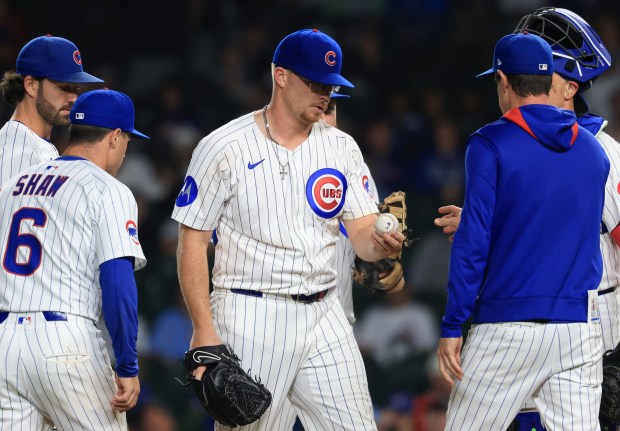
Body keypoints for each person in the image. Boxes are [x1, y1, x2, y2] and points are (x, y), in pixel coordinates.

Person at [172, 28, 405, 431]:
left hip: (325, 312)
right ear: (280, 76)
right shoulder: (223, 146)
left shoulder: (341, 146)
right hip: (251, 312)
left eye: (330, 85)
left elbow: (364, 236)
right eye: (314, 82)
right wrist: (203, 330)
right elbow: (191, 243)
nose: (325, 94)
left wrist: (382, 243)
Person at [435, 8, 618, 430]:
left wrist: (452, 323)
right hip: (578, 329)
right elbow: (558, 221)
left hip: (507, 326)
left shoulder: (490, 142)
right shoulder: (593, 151)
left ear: (503, 80)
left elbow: (474, 243)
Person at [0, 89, 149, 430]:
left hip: (5, 343)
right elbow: (117, 283)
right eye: (127, 140)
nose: (125, 150)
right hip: (65, 344)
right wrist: (126, 364)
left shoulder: (13, 186)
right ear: (115, 137)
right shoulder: (108, 189)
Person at [0, 35, 103, 186]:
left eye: (76, 88)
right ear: (31, 85)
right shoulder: (17, 152)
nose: (74, 98)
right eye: (64, 87)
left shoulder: (36, 145)